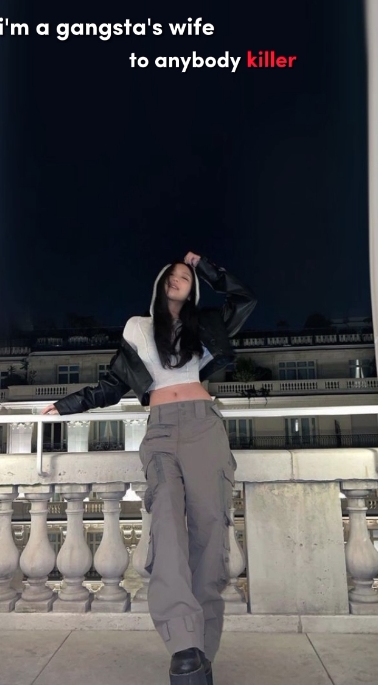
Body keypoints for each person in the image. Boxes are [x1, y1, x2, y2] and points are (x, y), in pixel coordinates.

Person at [42, 252, 257, 685]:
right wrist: (66, 406)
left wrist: (205, 267)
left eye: (185, 277)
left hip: (203, 427)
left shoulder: (207, 325)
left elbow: (245, 299)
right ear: (160, 284)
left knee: (210, 531)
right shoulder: (137, 328)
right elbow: (113, 384)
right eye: (171, 275)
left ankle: (201, 651)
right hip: (160, 430)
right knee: (166, 525)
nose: (177, 279)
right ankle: (183, 644)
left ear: (193, 289)